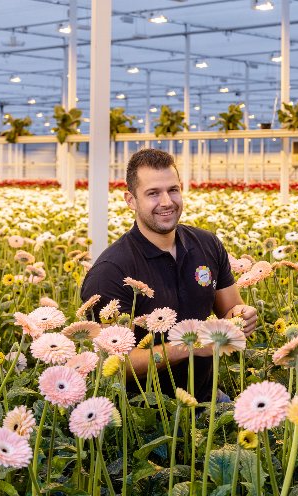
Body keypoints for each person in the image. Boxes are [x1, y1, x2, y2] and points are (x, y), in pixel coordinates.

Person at [80, 148, 257, 402]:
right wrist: (186, 347)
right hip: (145, 416)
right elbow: (114, 364)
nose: (166, 202)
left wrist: (242, 317)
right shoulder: (112, 271)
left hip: (207, 398)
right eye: (153, 193)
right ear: (130, 200)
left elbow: (231, 310)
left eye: (173, 190)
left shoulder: (207, 245)